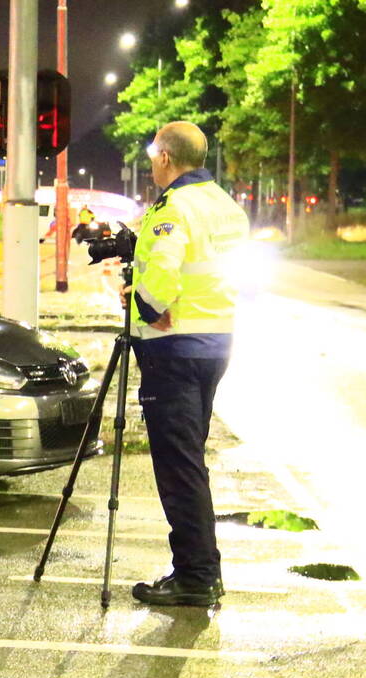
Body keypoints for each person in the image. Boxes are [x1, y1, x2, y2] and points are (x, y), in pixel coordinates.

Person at [124, 121, 249, 606]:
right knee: (190, 459)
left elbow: (159, 284)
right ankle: (201, 569)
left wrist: (143, 301)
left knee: (179, 466)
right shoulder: (226, 206)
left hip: (173, 349)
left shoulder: (172, 209)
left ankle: (195, 575)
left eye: (155, 153)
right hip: (216, 342)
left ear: (165, 159)